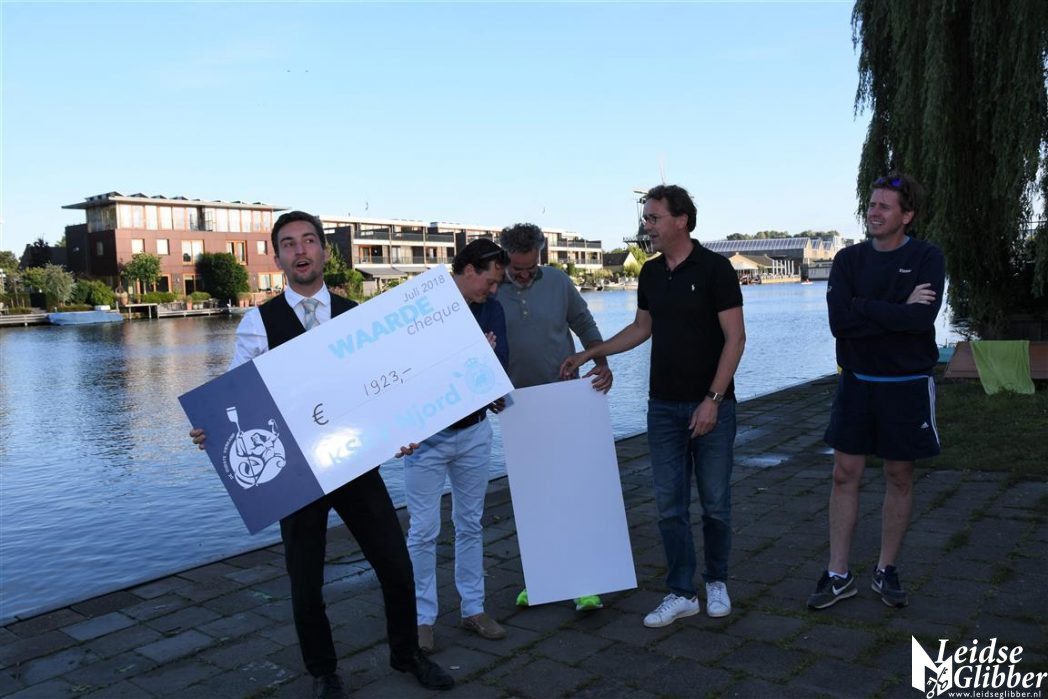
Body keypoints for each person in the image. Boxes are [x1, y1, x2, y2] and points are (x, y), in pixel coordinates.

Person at [189, 211, 453, 697]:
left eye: (309, 240)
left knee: (396, 565)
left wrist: (404, 428)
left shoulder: (359, 315)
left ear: (325, 251)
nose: (301, 250)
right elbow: (235, 393)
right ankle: (323, 672)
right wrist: (213, 430)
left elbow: (385, 386)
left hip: (353, 460)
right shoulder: (258, 322)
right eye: (289, 244)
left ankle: (406, 654)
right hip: (294, 473)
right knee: (305, 582)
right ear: (277, 257)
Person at [561, 184, 746, 627]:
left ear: (681, 220)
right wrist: (591, 352)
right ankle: (682, 592)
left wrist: (712, 400)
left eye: (653, 218)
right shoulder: (649, 273)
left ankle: (716, 581)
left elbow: (736, 339)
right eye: (646, 218)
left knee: (715, 503)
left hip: (712, 407)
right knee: (669, 507)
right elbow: (641, 328)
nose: (646, 226)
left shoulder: (716, 269)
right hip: (662, 408)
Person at [807, 173, 944, 610]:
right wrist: (896, 309)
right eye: (871, 204)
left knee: (899, 475)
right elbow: (840, 324)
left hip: (906, 386)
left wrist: (863, 307)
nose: (874, 212)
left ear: (907, 215)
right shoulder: (848, 260)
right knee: (844, 473)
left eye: (885, 206)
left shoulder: (927, 257)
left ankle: (886, 569)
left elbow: (920, 322)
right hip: (857, 383)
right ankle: (838, 574)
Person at [496, 222, 611, 612]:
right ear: (505, 259)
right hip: (517, 409)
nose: (524, 275)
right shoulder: (492, 288)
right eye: (517, 269)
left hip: (565, 400)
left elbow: (585, 324)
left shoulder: (559, 282)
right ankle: (542, 578)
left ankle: (586, 582)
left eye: (531, 268)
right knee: (533, 498)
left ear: (540, 255)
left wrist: (601, 362)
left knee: (573, 491)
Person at [404, 238, 510, 654]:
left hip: (474, 433)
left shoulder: (492, 309)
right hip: (426, 438)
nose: (494, 290)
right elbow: (411, 371)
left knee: (470, 523)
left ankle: (473, 608)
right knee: (423, 531)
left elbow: (498, 367)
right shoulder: (423, 309)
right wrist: (472, 359)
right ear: (468, 270)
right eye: (490, 281)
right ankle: (420, 618)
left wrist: (485, 375)